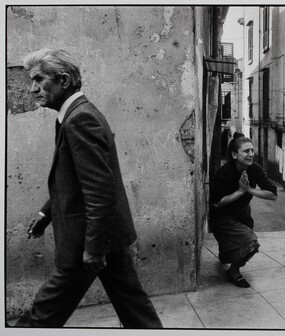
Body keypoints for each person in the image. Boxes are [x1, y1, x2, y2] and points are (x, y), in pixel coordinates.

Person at [15, 48, 163, 328]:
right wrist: (46, 214)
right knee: (136, 311)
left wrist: (94, 250)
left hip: (87, 240)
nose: (33, 89)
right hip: (107, 235)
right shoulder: (73, 115)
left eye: (38, 80)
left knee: (43, 316)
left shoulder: (79, 119)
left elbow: (99, 191)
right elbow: (74, 179)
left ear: (64, 80)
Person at [210, 132, 277, 287]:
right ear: (234, 154)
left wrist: (249, 190)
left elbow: (273, 194)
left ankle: (226, 255)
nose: (251, 154)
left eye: (252, 150)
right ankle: (233, 272)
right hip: (221, 216)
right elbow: (217, 203)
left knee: (244, 240)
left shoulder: (255, 169)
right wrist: (240, 191)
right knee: (250, 243)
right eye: (246, 151)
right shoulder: (224, 172)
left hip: (242, 212)